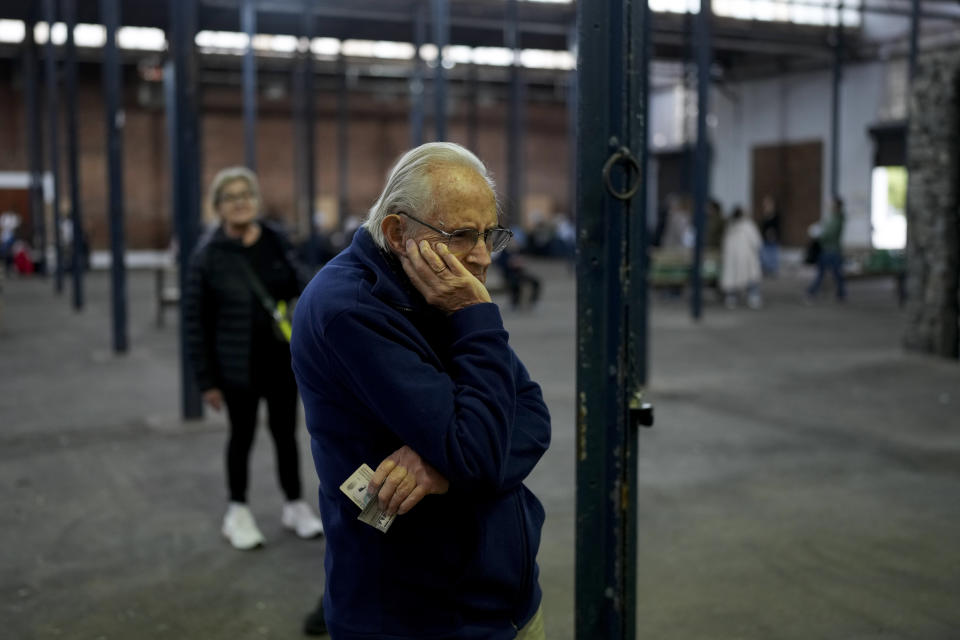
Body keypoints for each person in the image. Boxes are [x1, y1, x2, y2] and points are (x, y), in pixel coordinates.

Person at [291, 142, 551, 639]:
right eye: (460, 235)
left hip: (505, 600)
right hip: (422, 618)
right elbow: (478, 454)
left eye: (489, 235)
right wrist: (476, 318)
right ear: (396, 231)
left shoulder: (438, 288)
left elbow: (534, 414)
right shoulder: (352, 310)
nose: (480, 258)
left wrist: (446, 467)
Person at [183, 166, 324, 550]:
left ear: (256, 201)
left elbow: (305, 286)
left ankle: (294, 505)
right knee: (240, 437)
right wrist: (206, 380)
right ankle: (237, 510)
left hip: (280, 360)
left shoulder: (276, 241)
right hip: (235, 367)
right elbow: (195, 323)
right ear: (218, 207)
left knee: (285, 435)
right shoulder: (207, 256)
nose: (241, 202)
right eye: (231, 197)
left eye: (246, 194)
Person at [720, 206, 763, 309]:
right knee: (751, 279)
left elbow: (724, 244)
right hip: (747, 258)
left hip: (732, 259)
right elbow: (757, 242)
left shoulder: (730, 227)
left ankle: (731, 299)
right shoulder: (749, 226)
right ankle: (753, 298)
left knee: (732, 280)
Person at [806, 196, 847, 302]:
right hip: (827, 250)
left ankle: (840, 293)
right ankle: (814, 291)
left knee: (835, 274)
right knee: (826, 273)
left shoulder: (837, 219)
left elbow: (829, 234)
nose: (830, 206)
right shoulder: (833, 218)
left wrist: (819, 235)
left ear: (836, 206)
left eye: (832, 204)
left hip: (832, 250)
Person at [495, 238, 542, 310]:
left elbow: (523, 263)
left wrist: (520, 263)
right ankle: (514, 303)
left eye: (514, 242)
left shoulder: (519, 251)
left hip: (520, 274)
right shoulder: (503, 253)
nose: (513, 244)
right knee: (514, 283)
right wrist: (510, 263)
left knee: (536, 281)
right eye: (511, 242)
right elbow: (500, 265)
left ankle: (534, 302)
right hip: (509, 275)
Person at [758, 195, 781, 277]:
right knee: (764, 255)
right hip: (765, 238)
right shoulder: (765, 215)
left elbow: (777, 226)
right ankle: (766, 269)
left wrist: (773, 233)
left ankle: (773, 270)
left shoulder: (775, 215)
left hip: (772, 238)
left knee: (772, 255)